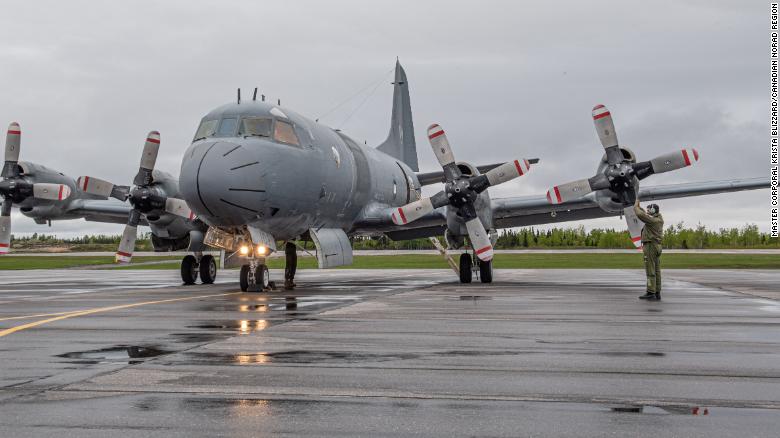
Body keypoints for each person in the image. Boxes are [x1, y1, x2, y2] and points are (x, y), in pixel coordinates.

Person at [634, 199, 664, 301]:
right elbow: (645, 214)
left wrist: (635, 206)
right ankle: (657, 292)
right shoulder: (658, 219)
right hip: (657, 246)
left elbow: (640, 215)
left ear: (653, 210)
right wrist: (640, 207)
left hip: (650, 246)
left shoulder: (652, 221)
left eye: (648, 209)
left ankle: (650, 292)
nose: (647, 211)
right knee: (656, 270)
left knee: (650, 269)